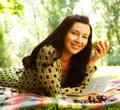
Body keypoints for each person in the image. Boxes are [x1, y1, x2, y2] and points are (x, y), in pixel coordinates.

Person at [0, 14, 109, 97]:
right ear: (63, 33)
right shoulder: (48, 52)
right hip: (10, 78)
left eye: (85, 36)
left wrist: (92, 61)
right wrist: (85, 92)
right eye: (74, 33)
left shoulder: (77, 58)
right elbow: (55, 93)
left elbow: (82, 86)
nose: (79, 40)